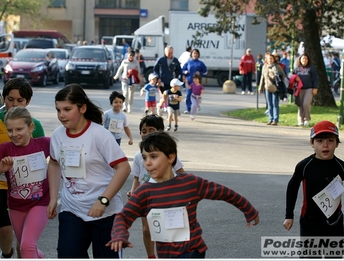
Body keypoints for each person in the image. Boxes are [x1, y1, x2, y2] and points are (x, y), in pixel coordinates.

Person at [106, 131, 260, 258]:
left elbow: (225, 193)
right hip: (166, 254)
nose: (147, 163)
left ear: (171, 157)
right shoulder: (144, 192)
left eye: (153, 156)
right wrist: (119, 235)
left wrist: (249, 210)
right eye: (144, 158)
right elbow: (123, 217)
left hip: (192, 250)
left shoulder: (190, 183)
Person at [47, 84, 131, 258]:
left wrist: (103, 200)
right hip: (72, 210)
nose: (61, 115)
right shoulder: (57, 135)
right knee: (67, 254)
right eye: (58, 110)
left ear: (82, 108)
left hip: (106, 214)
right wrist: (53, 197)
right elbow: (54, 163)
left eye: (67, 109)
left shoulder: (100, 134)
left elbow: (123, 168)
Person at [0, 78, 45, 259]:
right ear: (4, 98)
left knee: (23, 242)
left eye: (20, 100)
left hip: (27, 187)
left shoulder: (35, 125)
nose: (14, 104)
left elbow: (42, 157)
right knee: (3, 229)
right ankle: (5, 254)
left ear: (27, 102)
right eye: (10, 99)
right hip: (1, 183)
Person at [283, 121, 344, 258]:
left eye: (330, 140)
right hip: (310, 223)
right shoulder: (305, 166)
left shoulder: (342, 168)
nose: (325, 145)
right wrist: (289, 215)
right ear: (312, 143)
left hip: (334, 224)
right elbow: (292, 187)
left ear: (337, 143)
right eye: (320, 140)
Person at [127, 115, 185, 259]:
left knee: (166, 228)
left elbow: (182, 174)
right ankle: (151, 256)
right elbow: (136, 177)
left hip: (166, 197)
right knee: (147, 229)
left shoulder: (167, 154)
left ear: (159, 132)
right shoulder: (138, 156)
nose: (146, 133)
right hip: (147, 198)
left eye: (151, 130)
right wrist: (133, 191)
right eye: (143, 130)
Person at [258, 52, 286, 126]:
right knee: (269, 104)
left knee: (275, 104)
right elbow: (262, 77)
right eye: (268, 59)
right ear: (266, 59)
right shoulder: (264, 67)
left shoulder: (277, 66)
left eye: (271, 58)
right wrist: (260, 87)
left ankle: (275, 120)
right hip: (267, 88)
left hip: (275, 88)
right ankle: (270, 119)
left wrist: (275, 76)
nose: (270, 60)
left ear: (274, 59)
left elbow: (283, 75)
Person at [293, 53, 319, 127]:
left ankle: (307, 119)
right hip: (299, 89)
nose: (304, 60)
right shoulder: (297, 68)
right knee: (300, 104)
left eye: (306, 59)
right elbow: (293, 77)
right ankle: (300, 120)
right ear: (300, 60)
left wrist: (315, 88)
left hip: (309, 88)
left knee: (306, 103)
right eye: (303, 58)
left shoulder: (311, 68)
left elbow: (315, 79)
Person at [182, 49, 207, 114]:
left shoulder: (200, 63)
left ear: (198, 54)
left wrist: (200, 73)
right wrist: (185, 71)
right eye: (194, 53)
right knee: (188, 95)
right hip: (189, 81)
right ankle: (188, 108)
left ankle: (196, 105)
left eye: (196, 53)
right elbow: (182, 70)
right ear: (191, 54)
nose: (195, 55)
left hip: (197, 83)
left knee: (196, 95)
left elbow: (205, 71)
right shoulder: (188, 63)